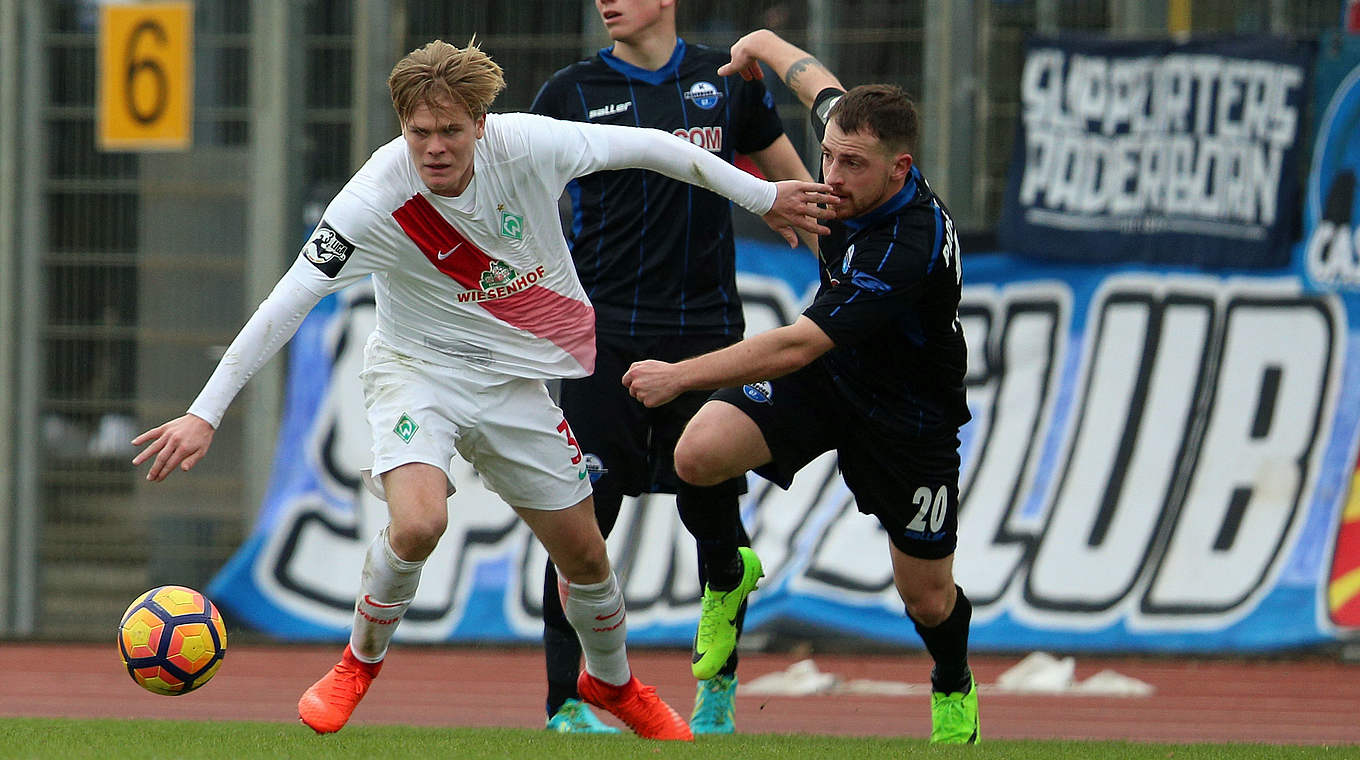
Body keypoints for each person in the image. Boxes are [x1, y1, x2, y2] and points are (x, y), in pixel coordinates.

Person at [130, 38, 834, 740]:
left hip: (511, 383)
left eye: (450, 131)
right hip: (417, 372)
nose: (434, 148)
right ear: (402, 128)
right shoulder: (374, 200)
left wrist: (763, 193)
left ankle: (613, 685)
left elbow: (652, 146)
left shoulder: (530, 144)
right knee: (418, 523)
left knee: (586, 556)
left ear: (481, 125)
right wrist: (204, 412)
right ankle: (356, 664)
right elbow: (284, 304)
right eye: (418, 133)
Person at [621, 28, 981, 744]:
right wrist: (758, 42)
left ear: (898, 168)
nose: (833, 174)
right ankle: (728, 573)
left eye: (853, 165)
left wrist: (678, 376)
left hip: (907, 419)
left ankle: (952, 684)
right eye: (829, 156)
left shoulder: (904, 245)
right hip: (831, 382)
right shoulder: (853, 143)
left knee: (928, 597)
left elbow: (793, 345)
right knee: (698, 455)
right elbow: (814, 82)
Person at [528, 0, 816, 735]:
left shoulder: (727, 81)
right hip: (601, 338)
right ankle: (567, 703)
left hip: (709, 334)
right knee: (580, 523)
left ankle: (716, 686)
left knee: (714, 515)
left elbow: (795, 190)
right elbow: (516, 199)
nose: (604, 0)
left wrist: (845, 269)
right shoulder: (569, 94)